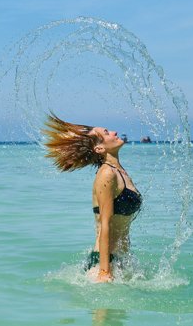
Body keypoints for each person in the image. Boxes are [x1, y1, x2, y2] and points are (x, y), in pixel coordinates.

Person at [42, 114, 142, 283]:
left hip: (121, 261)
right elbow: (105, 223)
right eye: (106, 132)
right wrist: (104, 272)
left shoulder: (119, 172)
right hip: (105, 263)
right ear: (100, 149)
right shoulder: (107, 174)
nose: (114, 132)